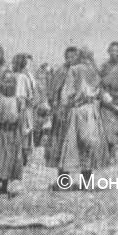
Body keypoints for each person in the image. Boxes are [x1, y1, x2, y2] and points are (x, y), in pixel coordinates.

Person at [59, 48, 111, 188]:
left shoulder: (74, 70)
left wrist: (65, 107)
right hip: (92, 110)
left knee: (72, 146)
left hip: (77, 110)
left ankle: (63, 182)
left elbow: (67, 93)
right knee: (89, 145)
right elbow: (101, 93)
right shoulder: (94, 72)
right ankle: (85, 182)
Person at [45, 46, 78, 189]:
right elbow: (52, 94)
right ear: (65, 57)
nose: (72, 60)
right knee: (60, 147)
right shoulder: (61, 71)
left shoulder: (78, 71)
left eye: (74, 57)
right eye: (69, 57)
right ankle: (63, 180)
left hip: (75, 113)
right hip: (62, 114)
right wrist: (57, 110)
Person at [13, 53, 36, 166]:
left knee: (26, 132)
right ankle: (21, 158)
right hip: (23, 108)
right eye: (27, 63)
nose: (29, 65)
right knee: (23, 132)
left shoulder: (28, 75)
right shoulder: (21, 77)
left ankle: (24, 157)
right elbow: (20, 96)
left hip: (28, 107)